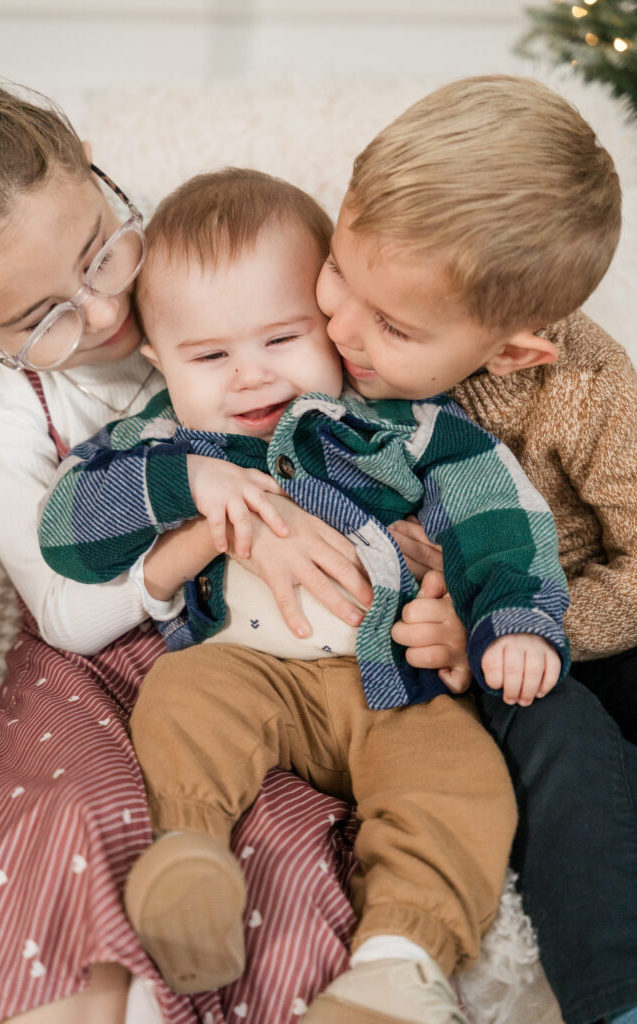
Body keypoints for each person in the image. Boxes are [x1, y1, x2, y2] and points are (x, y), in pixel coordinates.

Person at [38, 166, 576, 1024]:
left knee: (461, 784)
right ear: (159, 360)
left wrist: (512, 621)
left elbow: (498, 515)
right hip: (248, 670)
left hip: (397, 688)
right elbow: (66, 526)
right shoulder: (164, 444)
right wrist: (187, 483)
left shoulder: (404, 427)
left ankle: (398, 967)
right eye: (209, 356)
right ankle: (190, 866)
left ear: (331, 325)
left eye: (280, 340)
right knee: (181, 701)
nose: (249, 378)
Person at [0, 73, 380, 1024]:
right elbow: (65, 612)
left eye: (101, 253)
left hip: (241, 647)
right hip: (88, 652)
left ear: (98, 179)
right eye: (39, 320)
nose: (104, 313)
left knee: (264, 834)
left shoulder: (187, 240)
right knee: (61, 819)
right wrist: (207, 522)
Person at [314, 75, 637, 1024]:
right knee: (561, 741)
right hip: (447, 667)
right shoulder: (325, 354)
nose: (340, 328)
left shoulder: (589, 391)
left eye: (393, 327)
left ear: (513, 352)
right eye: (341, 273)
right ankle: (616, 993)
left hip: (563, 617)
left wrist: (533, 627)